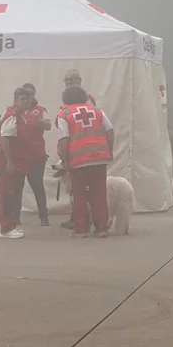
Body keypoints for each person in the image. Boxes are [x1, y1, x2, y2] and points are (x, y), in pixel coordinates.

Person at [57, 85, 114, 237]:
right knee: (99, 194)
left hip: (79, 159)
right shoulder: (97, 111)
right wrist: (109, 150)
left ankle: (81, 229)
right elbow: (110, 130)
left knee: (80, 195)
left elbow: (64, 139)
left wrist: (64, 159)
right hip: (100, 158)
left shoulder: (64, 114)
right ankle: (102, 228)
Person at [0, 88, 32, 239]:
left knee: (13, 194)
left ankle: (11, 225)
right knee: (7, 195)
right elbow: (5, 139)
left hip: (17, 163)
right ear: (15, 100)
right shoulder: (12, 116)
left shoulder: (22, 116)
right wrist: (9, 161)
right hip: (7, 164)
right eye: (22, 99)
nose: (26, 101)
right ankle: (6, 228)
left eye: (28, 99)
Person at [58, 70, 95, 230]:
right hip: (73, 148)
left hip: (83, 149)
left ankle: (85, 220)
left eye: (70, 79)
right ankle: (76, 216)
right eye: (65, 80)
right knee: (75, 188)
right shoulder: (67, 100)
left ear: (79, 80)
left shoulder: (85, 99)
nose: (67, 82)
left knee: (84, 188)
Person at [17, 83, 52, 226]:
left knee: (37, 186)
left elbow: (48, 126)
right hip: (19, 155)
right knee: (17, 187)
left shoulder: (40, 110)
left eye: (31, 94)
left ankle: (44, 217)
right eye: (25, 95)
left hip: (36, 155)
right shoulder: (16, 111)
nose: (28, 98)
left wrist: (39, 121)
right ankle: (15, 217)